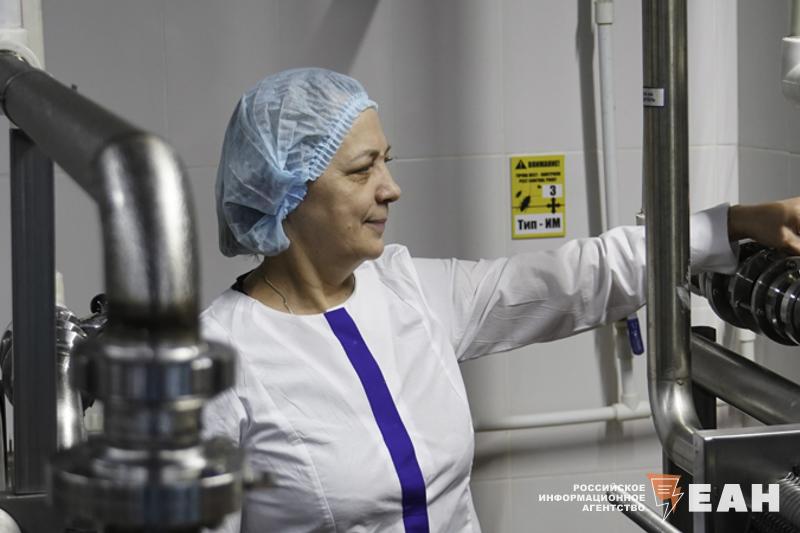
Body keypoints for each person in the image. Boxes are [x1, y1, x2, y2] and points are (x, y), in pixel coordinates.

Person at [202, 67, 800, 533]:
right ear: (286, 191)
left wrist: (733, 224)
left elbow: (574, 277)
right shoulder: (219, 360)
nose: (392, 188)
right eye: (362, 170)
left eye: (388, 161)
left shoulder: (407, 290)